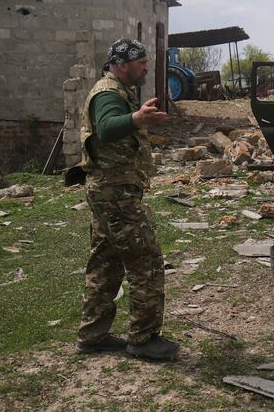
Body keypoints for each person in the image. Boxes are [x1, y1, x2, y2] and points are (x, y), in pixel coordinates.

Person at [74, 38, 179, 361]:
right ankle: (143, 338)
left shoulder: (117, 90)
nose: (146, 67)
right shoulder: (107, 93)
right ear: (122, 65)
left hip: (109, 191)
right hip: (116, 195)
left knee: (105, 263)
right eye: (141, 62)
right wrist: (136, 119)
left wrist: (137, 117)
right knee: (145, 261)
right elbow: (105, 128)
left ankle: (93, 334)